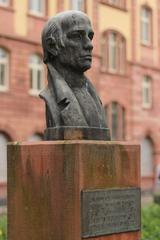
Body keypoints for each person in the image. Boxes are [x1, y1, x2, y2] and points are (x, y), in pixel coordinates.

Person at [40, 10, 107, 129]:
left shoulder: (94, 96)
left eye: (90, 37)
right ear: (52, 46)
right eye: (76, 36)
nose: (89, 45)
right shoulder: (50, 97)